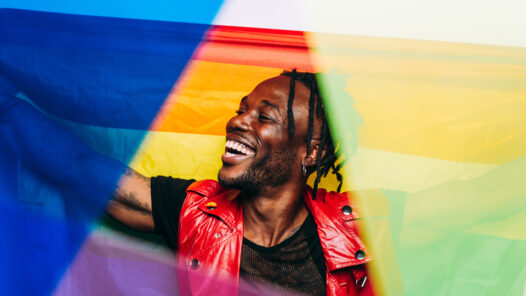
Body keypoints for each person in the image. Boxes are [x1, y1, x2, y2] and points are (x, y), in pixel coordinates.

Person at [0, 69, 373, 295]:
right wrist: (7, 105)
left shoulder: (361, 225)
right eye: (242, 109)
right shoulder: (197, 211)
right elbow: (78, 167)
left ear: (311, 152)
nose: (239, 121)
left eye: (265, 116)